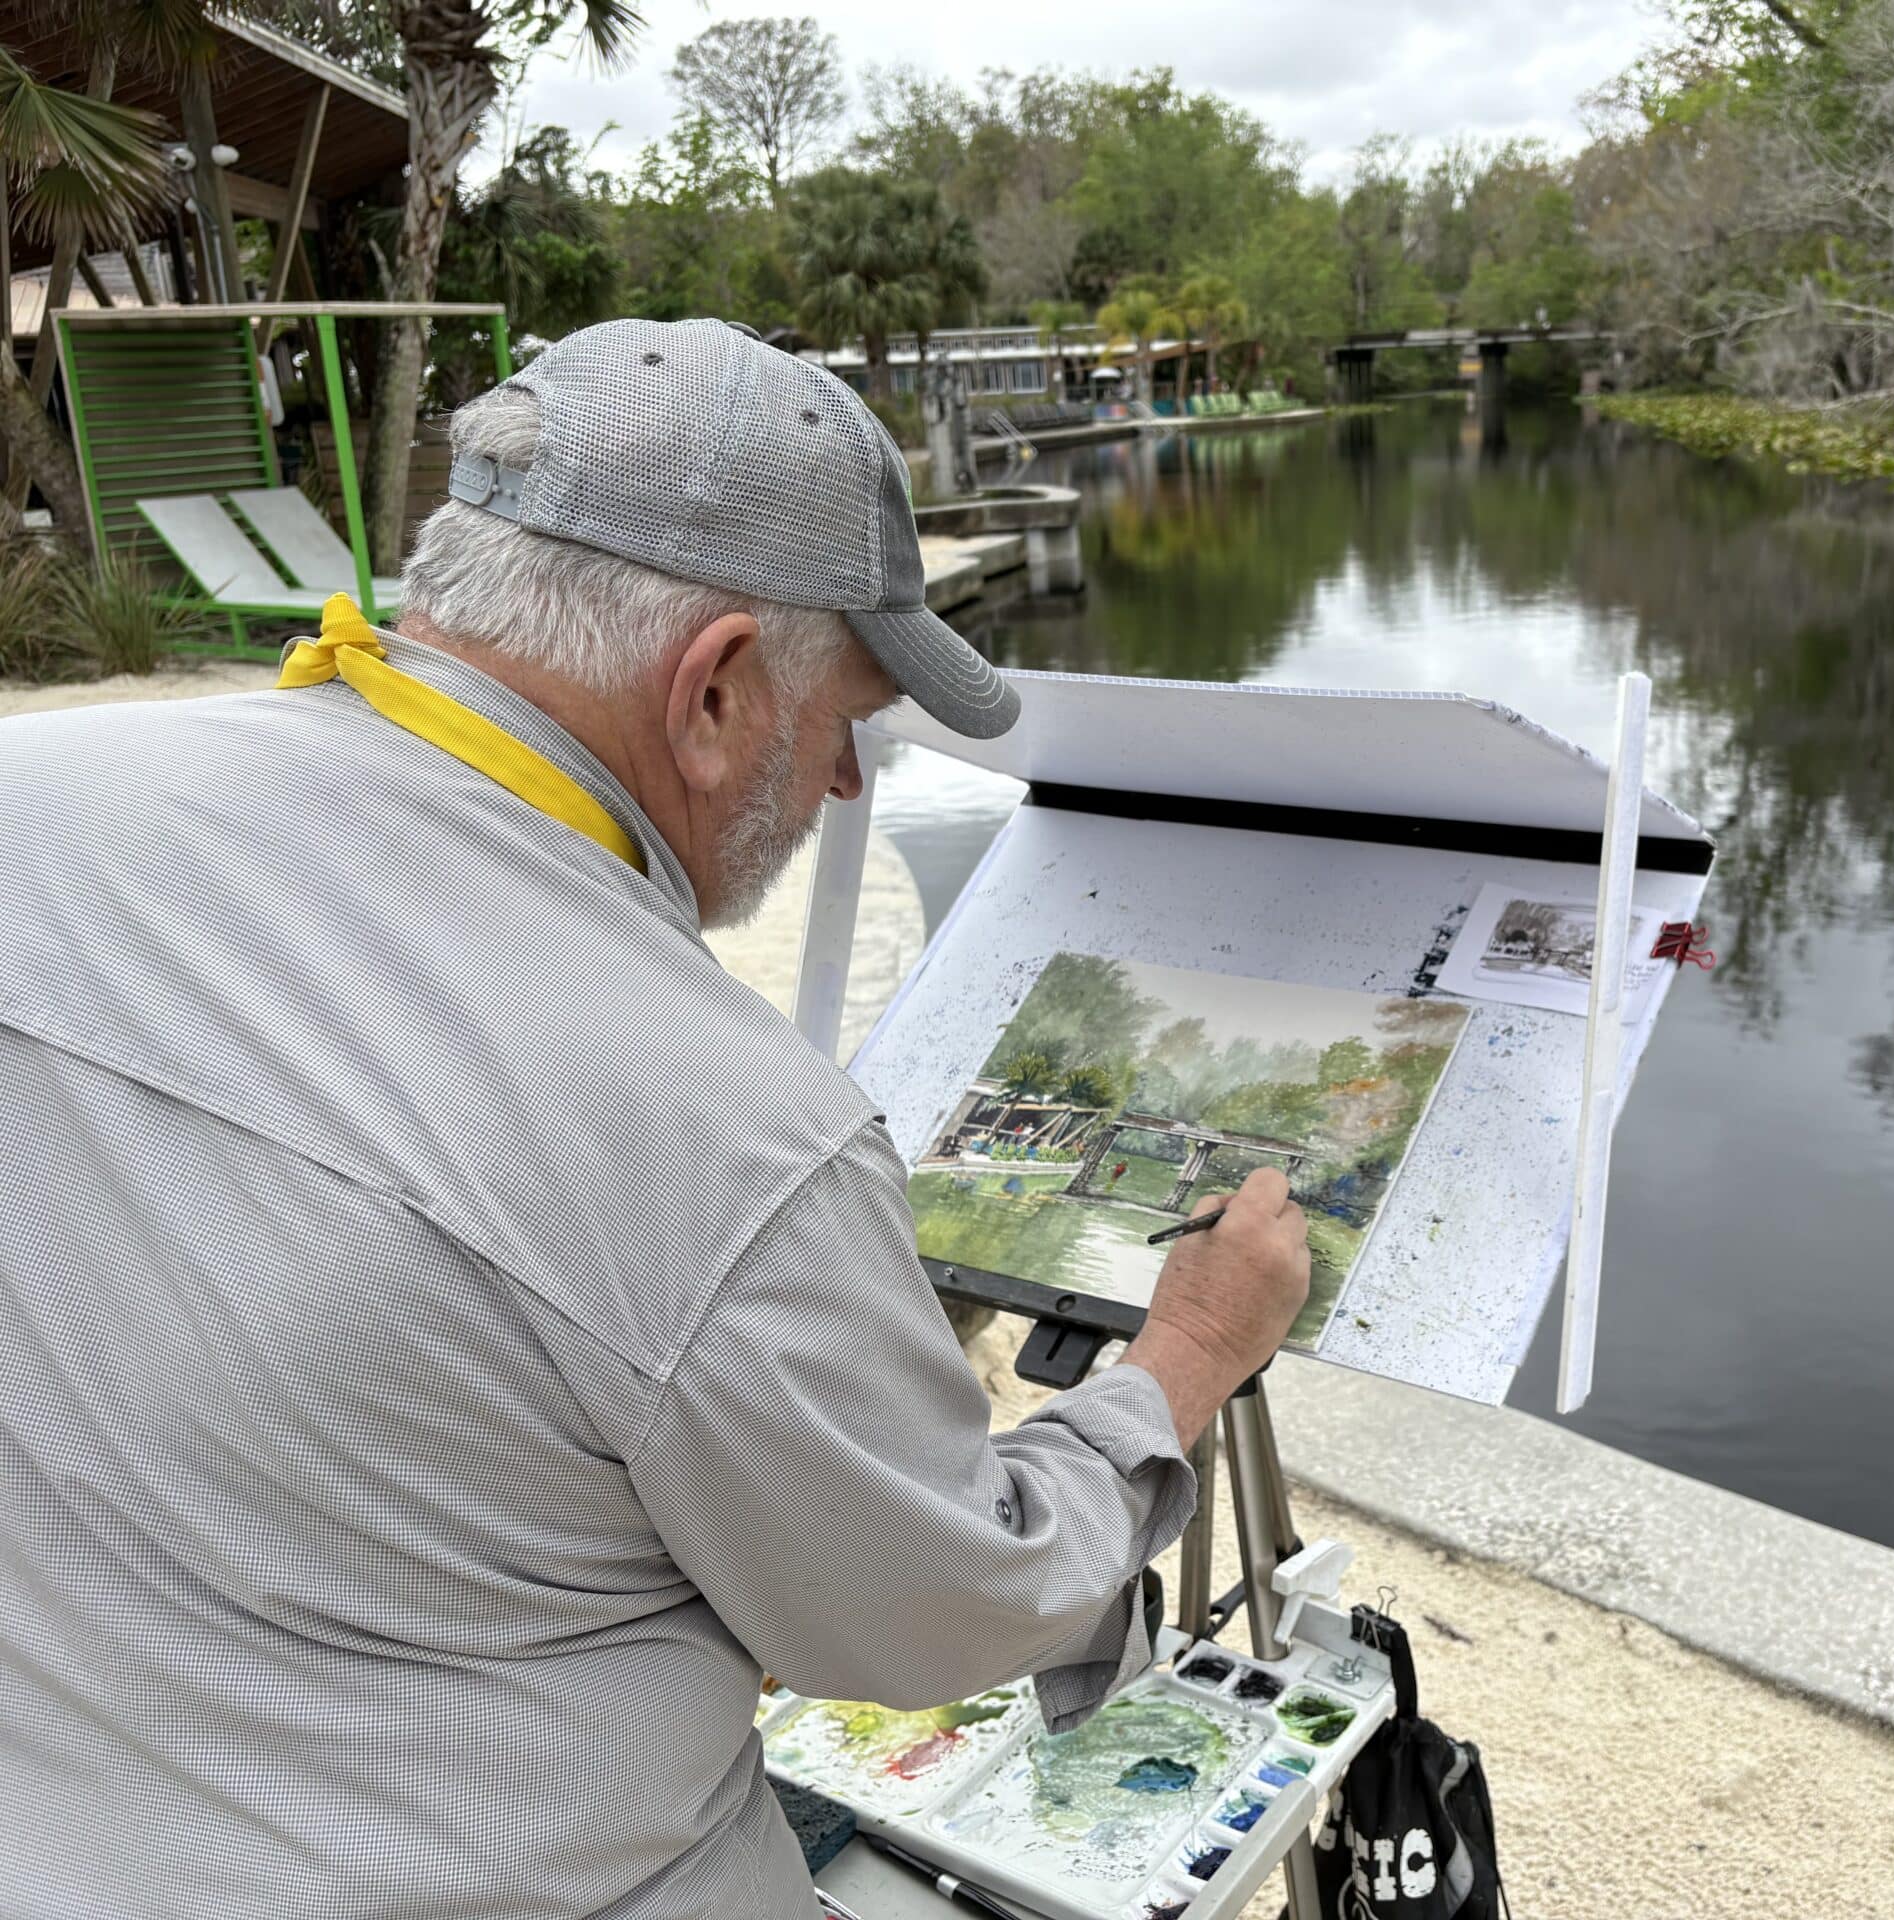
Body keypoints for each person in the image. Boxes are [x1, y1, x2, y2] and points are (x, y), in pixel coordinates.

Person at [0, 318, 1311, 1919]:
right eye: (850, 721)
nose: (841, 787)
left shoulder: (35, 798)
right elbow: (942, 1615)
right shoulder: (724, 1138)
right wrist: (1182, 1360)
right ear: (714, 692)